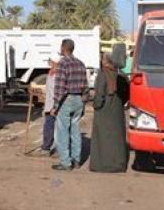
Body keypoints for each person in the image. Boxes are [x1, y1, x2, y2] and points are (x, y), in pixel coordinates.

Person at [52, 39, 89, 171]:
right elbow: (86, 86)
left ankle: (66, 163)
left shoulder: (63, 64)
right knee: (75, 131)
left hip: (66, 100)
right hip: (79, 99)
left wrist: (55, 106)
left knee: (62, 132)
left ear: (63, 48)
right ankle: (77, 160)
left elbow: (60, 87)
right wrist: (83, 102)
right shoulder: (80, 64)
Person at [90, 52, 130, 172]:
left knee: (103, 137)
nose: (102, 61)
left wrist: (96, 105)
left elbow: (100, 94)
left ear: (107, 61)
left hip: (104, 109)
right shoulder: (121, 75)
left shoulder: (103, 74)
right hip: (117, 109)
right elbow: (127, 93)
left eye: (103, 59)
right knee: (116, 138)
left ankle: (102, 165)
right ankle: (118, 165)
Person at [32, 54, 61, 156]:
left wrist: (55, 106)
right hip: (50, 104)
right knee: (50, 126)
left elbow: (57, 91)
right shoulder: (51, 72)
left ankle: (54, 149)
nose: (49, 63)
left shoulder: (58, 74)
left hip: (55, 105)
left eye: (50, 61)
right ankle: (47, 148)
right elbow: (49, 87)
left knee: (56, 127)